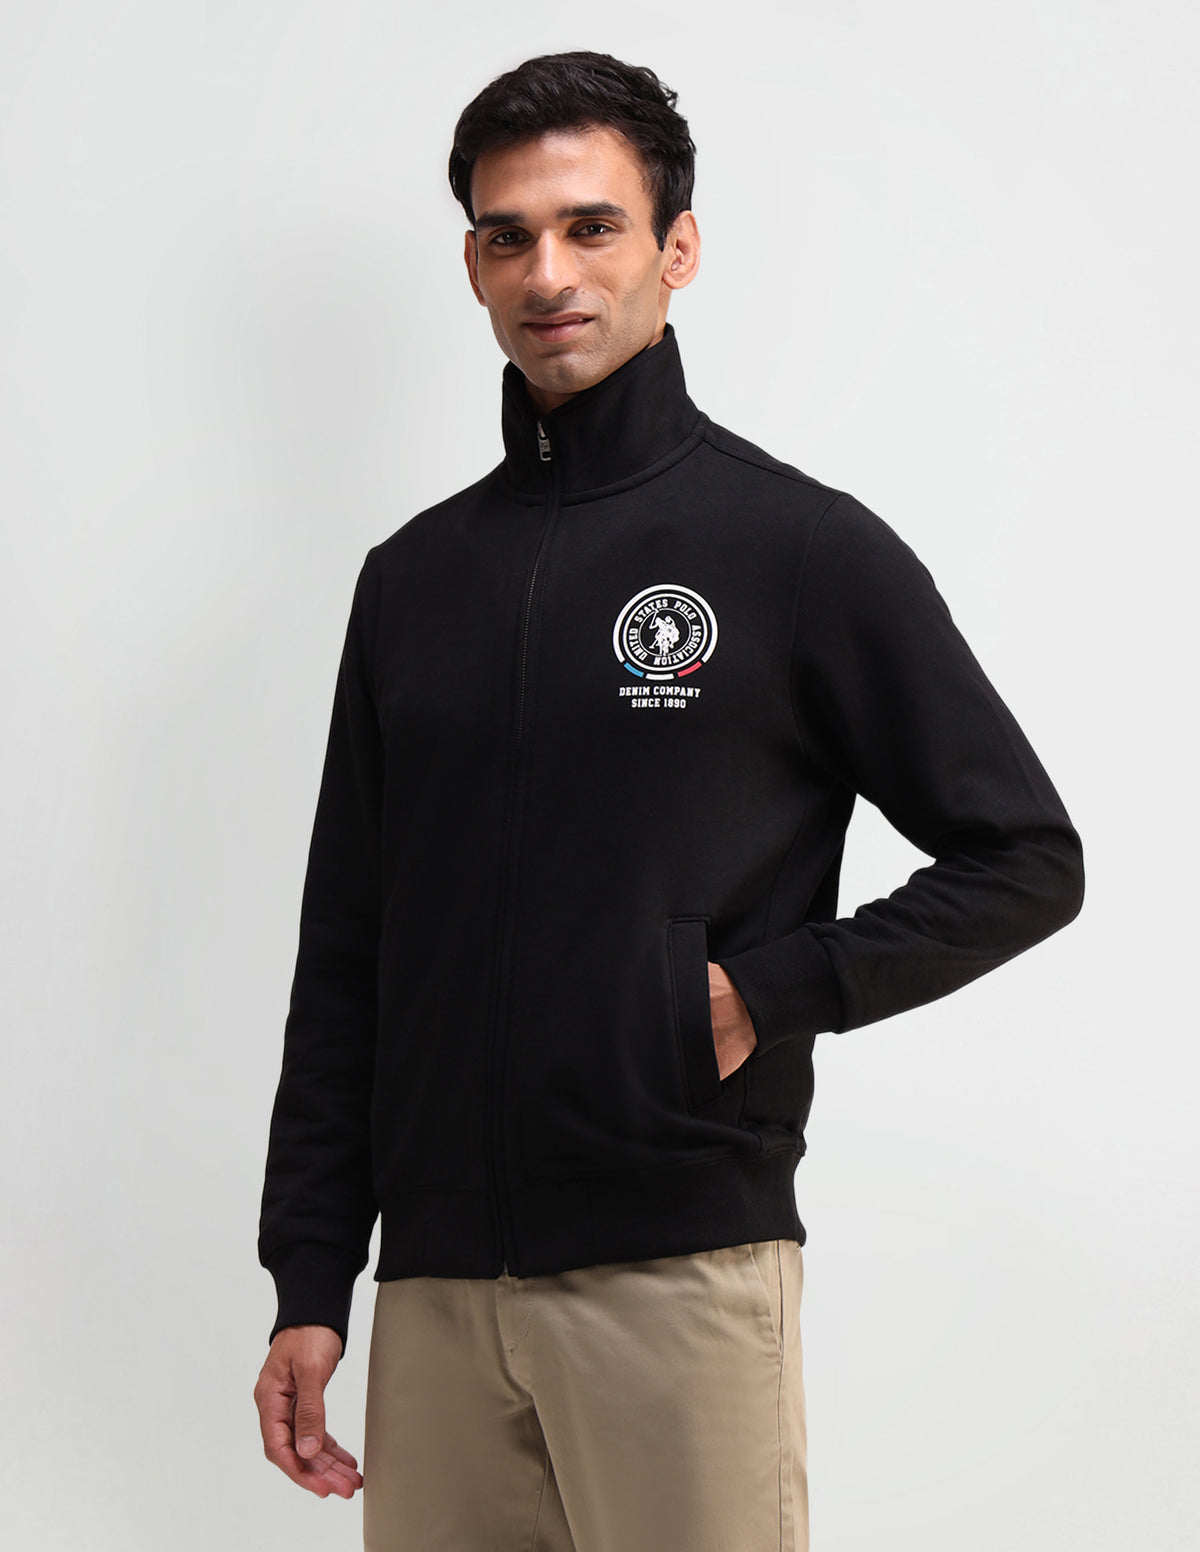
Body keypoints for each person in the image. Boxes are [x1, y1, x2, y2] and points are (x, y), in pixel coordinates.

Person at [253, 51, 1085, 1551]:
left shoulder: (794, 549)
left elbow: (1025, 854)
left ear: (676, 248)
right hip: (433, 1299)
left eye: (593, 226)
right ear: (472, 264)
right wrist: (311, 1277)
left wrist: (765, 993)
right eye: (508, 235)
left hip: (678, 1274)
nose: (548, 273)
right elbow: (351, 950)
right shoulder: (413, 583)